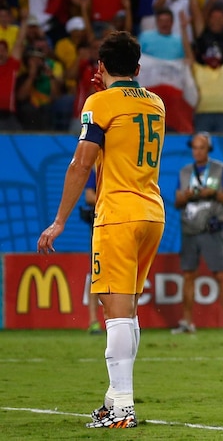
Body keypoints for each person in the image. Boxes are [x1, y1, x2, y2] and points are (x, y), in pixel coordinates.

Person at [37, 31, 166, 428]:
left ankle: (123, 409)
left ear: (100, 67)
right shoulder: (156, 102)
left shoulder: (99, 102)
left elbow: (81, 163)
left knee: (115, 313)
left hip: (119, 214)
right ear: (139, 68)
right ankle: (114, 401)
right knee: (127, 311)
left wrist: (59, 220)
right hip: (152, 213)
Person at [172, 132, 223, 334]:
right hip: (190, 228)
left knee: (220, 274)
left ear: (208, 149)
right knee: (189, 275)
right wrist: (187, 196)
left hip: (211, 227)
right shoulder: (184, 172)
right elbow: (176, 202)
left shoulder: (219, 169)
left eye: (201, 147)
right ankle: (187, 322)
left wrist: (214, 194)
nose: (197, 151)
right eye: (194, 147)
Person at [81, 171, 101, 334]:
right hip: (101, 224)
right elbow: (89, 197)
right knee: (96, 273)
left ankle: (122, 318)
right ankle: (93, 320)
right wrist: (113, 201)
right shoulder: (96, 170)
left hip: (123, 223)